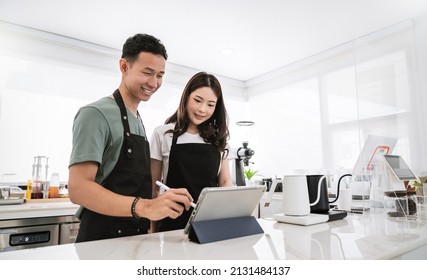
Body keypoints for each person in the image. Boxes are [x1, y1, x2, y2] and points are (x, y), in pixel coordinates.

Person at [68, 34, 194, 243]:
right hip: (101, 241)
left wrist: (162, 201)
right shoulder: (95, 114)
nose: (154, 83)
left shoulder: (137, 120)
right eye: (147, 73)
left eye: (160, 75)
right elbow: (78, 189)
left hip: (134, 240)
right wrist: (145, 207)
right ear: (124, 66)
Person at [150, 71, 233, 232]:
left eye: (210, 104)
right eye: (197, 100)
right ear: (186, 97)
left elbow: (225, 182)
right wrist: (152, 230)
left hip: (209, 223)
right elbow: (152, 187)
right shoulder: (163, 133)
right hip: (171, 223)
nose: (203, 109)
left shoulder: (220, 139)